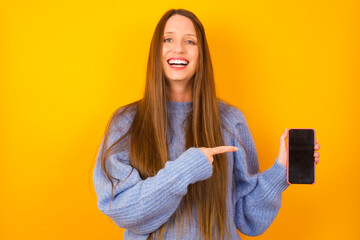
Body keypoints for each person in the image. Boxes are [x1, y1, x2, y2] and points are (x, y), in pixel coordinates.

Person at [92, 9, 321, 240]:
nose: (179, 48)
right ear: (155, 51)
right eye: (168, 39)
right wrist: (186, 169)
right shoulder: (126, 122)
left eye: (190, 41)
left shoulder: (231, 120)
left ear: (201, 54)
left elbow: (248, 219)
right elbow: (122, 209)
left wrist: (280, 170)